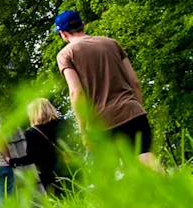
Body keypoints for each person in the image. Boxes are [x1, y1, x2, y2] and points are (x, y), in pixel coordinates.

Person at [54, 10, 161, 170]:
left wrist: (83, 130)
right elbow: (134, 82)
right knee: (144, 155)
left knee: (116, 170)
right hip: (132, 110)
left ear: (63, 34)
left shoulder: (66, 54)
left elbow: (77, 92)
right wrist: (136, 108)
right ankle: (171, 188)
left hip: (102, 121)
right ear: (83, 25)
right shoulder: (111, 43)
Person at [9, 98, 70, 198]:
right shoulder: (63, 123)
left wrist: (13, 161)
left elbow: (32, 157)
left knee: (62, 201)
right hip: (70, 166)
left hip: (51, 175)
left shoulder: (32, 133)